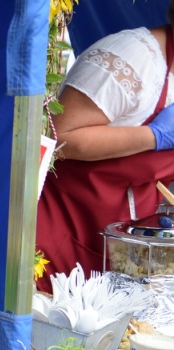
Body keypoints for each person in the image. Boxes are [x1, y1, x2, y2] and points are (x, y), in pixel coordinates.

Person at [36, 2, 174, 289]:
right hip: (61, 237)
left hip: (122, 255)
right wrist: (154, 136)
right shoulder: (134, 58)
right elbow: (60, 136)